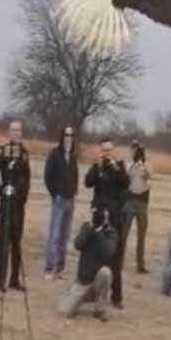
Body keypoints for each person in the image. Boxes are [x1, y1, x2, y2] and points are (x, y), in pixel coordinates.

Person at [0, 120, 30, 292]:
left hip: (19, 205)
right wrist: (0, 189)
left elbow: (27, 178)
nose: (17, 133)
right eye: (14, 130)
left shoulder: (25, 153)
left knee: (17, 241)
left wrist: (22, 197)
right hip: (6, 204)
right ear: (9, 132)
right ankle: (0, 280)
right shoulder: (3, 152)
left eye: (19, 130)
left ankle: (14, 279)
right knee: (3, 242)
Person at [84, 139, 129, 308]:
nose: (106, 153)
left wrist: (114, 166)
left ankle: (116, 297)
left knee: (116, 258)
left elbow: (126, 183)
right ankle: (95, 293)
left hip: (115, 217)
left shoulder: (119, 166)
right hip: (99, 215)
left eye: (109, 150)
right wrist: (97, 166)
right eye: (104, 150)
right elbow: (88, 182)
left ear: (113, 151)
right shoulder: (98, 166)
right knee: (97, 255)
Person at [58, 208, 117, 321]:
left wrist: (99, 232)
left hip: (97, 283)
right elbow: (77, 245)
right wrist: (89, 230)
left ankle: (100, 308)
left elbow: (108, 252)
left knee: (106, 272)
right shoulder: (87, 228)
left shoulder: (111, 233)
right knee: (64, 311)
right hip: (83, 281)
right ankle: (73, 295)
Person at [41, 125, 78, 280]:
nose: (68, 138)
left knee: (65, 235)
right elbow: (47, 176)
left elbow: (75, 175)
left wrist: (74, 190)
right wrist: (54, 193)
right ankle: (49, 267)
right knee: (54, 234)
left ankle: (59, 268)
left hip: (71, 200)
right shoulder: (55, 154)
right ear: (61, 137)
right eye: (66, 135)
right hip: (59, 200)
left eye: (71, 135)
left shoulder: (73, 157)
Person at [121, 142, 152, 274]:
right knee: (124, 234)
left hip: (142, 203)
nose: (135, 153)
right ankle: (119, 261)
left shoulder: (146, 167)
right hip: (130, 201)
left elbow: (149, 182)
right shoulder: (129, 166)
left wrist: (144, 170)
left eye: (137, 151)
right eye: (133, 150)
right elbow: (125, 182)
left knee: (142, 235)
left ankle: (140, 264)